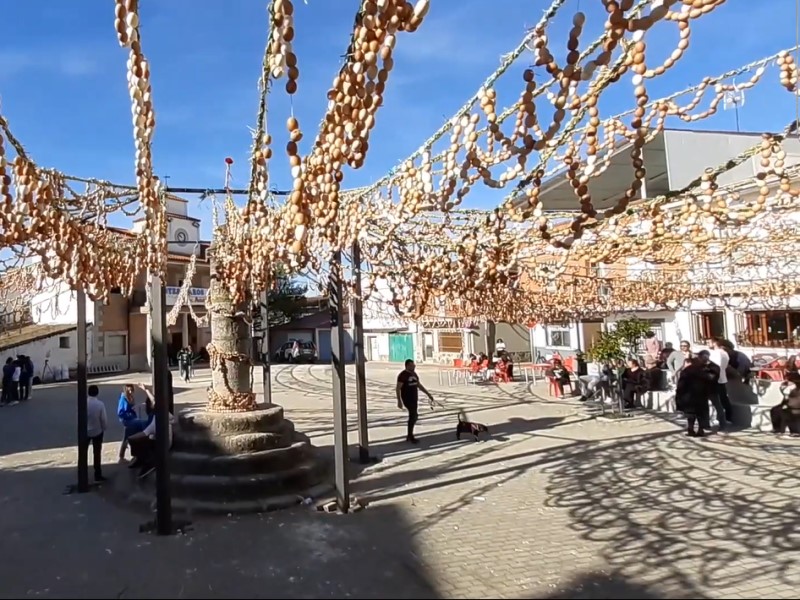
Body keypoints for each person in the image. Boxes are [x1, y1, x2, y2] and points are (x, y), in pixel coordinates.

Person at [127, 383, 175, 478]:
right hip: (167, 441)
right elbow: (154, 401)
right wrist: (146, 389)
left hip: (162, 445)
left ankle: (148, 462)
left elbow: (144, 434)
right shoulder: (165, 412)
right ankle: (141, 459)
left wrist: (130, 439)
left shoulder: (156, 420)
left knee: (139, 440)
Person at [396, 359, 434, 444]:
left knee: (414, 416)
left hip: (414, 398)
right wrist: (399, 400)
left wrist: (428, 394)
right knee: (413, 415)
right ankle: (410, 435)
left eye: (414, 365)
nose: (414, 366)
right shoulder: (403, 375)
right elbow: (398, 388)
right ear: (407, 366)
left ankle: (410, 434)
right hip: (407, 398)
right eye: (412, 365)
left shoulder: (414, 374)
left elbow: (419, 385)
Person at [676, 357, 714, 437]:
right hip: (701, 395)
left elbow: (681, 384)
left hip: (688, 395)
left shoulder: (686, 371)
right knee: (700, 414)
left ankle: (690, 429)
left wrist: (679, 395)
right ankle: (701, 430)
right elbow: (708, 383)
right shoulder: (703, 371)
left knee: (690, 414)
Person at [117, 383, 151, 461]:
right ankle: (122, 455)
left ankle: (123, 454)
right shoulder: (124, 399)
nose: (131, 392)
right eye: (130, 390)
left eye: (132, 390)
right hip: (128, 420)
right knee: (130, 435)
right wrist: (131, 416)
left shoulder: (130, 397)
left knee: (128, 436)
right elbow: (120, 412)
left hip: (132, 419)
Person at [84, 384, 108, 482]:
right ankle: (97, 474)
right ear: (97, 393)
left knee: (83, 452)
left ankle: (83, 474)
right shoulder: (100, 404)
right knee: (97, 453)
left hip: (85, 430)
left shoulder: (84, 403)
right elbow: (103, 419)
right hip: (97, 430)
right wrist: (104, 428)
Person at [708, 338, 733, 427]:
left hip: (715, 378)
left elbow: (715, 366)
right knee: (723, 398)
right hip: (722, 378)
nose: (708, 344)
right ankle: (728, 418)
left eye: (709, 342)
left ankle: (721, 418)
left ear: (715, 343)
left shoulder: (716, 353)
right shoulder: (725, 353)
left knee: (717, 400)